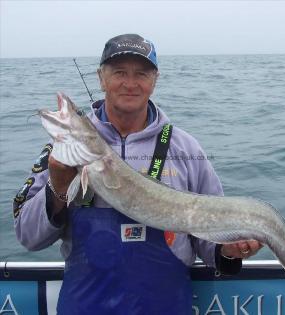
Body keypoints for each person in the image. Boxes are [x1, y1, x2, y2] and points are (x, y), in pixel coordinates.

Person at [13, 34, 262, 314]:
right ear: (101, 78)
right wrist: (57, 188)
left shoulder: (186, 148)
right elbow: (27, 237)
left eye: (141, 74)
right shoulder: (60, 153)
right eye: (119, 72)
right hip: (84, 304)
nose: (130, 83)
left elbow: (207, 233)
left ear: (154, 80)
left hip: (165, 305)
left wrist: (227, 250)